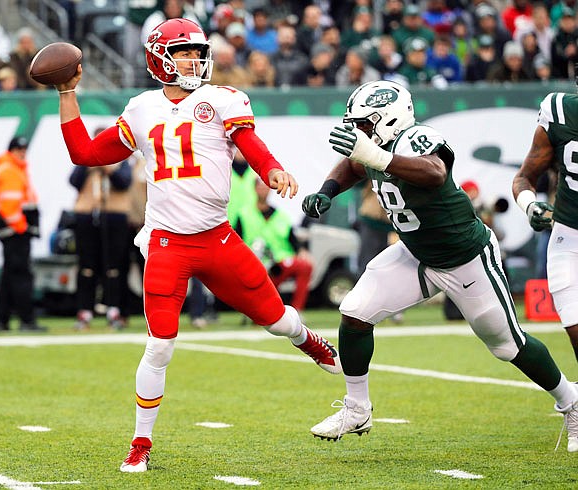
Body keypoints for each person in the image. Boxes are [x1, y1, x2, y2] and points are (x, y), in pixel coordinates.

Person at [54, 18, 341, 473]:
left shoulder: (223, 99)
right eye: (184, 52)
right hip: (168, 242)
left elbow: (251, 142)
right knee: (160, 345)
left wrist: (273, 171)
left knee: (278, 321)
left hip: (218, 238)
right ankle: (140, 442)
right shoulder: (142, 108)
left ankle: (310, 342)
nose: (194, 59)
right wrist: (65, 94)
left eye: (197, 51)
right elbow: (86, 155)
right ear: (158, 58)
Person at [302, 80, 578, 452]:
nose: (359, 132)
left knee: (508, 345)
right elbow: (353, 164)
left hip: (465, 257)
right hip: (416, 252)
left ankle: (571, 401)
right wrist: (327, 190)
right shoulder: (375, 147)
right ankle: (357, 407)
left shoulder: (415, 138)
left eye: (365, 124)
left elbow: (434, 172)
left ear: (389, 120)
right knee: (354, 311)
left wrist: (376, 157)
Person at [513, 91, 578, 368]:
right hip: (569, 236)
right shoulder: (561, 111)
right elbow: (524, 177)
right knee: (573, 321)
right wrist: (531, 206)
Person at [69, 130, 133, 331]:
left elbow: (124, 183)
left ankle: (114, 310)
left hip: (114, 216)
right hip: (88, 216)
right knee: (87, 266)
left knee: (113, 266)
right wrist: (91, 162)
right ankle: (84, 311)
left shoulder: (121, 160)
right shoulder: (87, 162)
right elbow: (74, 181)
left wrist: (107, 166)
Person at [0, 136, 46, 333]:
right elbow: (10, 204)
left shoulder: (10, 168)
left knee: (8, 276)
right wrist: (23, 227)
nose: (23, 152)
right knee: (22, 276)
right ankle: (26, 320)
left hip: (11, 229)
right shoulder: (10, 170)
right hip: (16, 230)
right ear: (11, 150)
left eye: (24, 149)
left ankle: (1, 320)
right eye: (19, 149)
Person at [235, 178, 313, 313]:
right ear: (255, 189)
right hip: (256, 264)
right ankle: (262, 310)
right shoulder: (244, 215)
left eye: (266, 187)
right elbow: (237, 241)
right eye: (260, 187)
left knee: (305, 265)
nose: (263, 191)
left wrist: (301, 250)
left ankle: (297, 310)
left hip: (281, 263)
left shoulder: (281, 215)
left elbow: (292, 239)